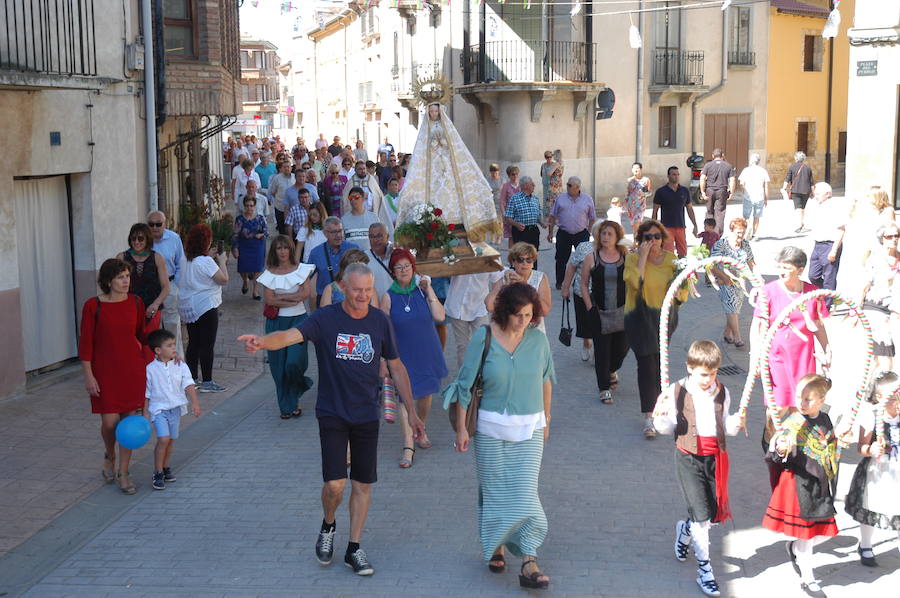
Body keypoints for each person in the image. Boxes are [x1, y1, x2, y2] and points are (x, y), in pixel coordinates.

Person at [238, 263, 425, 577]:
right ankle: (328, 524)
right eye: (357, 290)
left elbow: (397, 366)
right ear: (342, 288)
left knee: (363, 484)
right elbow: (288, 336)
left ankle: (354, 547)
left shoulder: (380, 321)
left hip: (366, 413)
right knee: (335, 484)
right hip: (333, 411)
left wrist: (413, 412)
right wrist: (262, 342)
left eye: (368, 290)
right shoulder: (326, 319)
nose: (363, 296)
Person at [443, 283, 555, 589]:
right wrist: (463, 428)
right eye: (517, 315)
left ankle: (529, 560)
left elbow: (547, 380)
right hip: (490, 430)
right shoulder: (485, 336)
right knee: (493, 492)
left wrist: (546, 420)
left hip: (530, 428)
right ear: (505, 312)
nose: (522, 322)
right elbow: (465, 384)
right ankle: (496, 545)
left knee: (525, 496)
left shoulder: (538, 341)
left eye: (528, 316)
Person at [653, 340, 744, 598]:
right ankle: (705, 569)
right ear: (690, 368)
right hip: (688, 457)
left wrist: (736, 423)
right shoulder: (677, 391)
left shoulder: (723, 392)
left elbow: (725, 427)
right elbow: (668, 427)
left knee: (710, 514)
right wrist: (660, 418)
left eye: (713, 373)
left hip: (715, 458)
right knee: (702, 517)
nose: (709, 379)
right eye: (704, 374)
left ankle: (684, 530)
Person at [763, 374, 838, 598]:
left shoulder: (825, 419)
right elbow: (776, 452)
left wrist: (837, 442)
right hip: (797, 485)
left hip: (818, 486)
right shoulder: (792, 422)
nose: (802, 403)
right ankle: (808, 580)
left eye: (808, 399)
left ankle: (794, 547)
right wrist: (781, 448)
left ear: (821, 400)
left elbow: (830, 448)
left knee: (824, 533)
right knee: (807, 536)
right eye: (799, 398)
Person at [80, 258, 149, 494]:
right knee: (110, 423)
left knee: (129, 423)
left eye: (127, 276)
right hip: (105, 373)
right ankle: (109, 454)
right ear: (109, 281)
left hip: (132, 371)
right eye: (121, 277)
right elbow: (86, 345)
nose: (126, 281)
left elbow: (142, 336)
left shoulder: (137, 302)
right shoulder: (93, 306)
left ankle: (124, 472)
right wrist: (89, 376)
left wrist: (159, 361)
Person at [380, 248, 448, 467]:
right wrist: (384, 360)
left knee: (426, 394)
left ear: (413, 268)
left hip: (427, 351)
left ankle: (421, 427)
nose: (403, 270)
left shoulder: (422, 291)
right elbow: (382, 331)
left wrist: (429, 291)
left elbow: (440, 316)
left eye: (407, 266)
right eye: (398, 267)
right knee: (404, 398)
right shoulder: (387, 297)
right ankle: (408, 445)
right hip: (402, 355)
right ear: (392, 271)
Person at [625, 219, 688, 439]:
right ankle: (648, 417)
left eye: (657, 236)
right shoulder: (632, 259)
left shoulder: (672, 260)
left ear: (663, 238)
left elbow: (682, 292)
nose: (653, 241)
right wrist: (642, 257)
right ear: (641, 240)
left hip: (663, 320)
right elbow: (635, 283)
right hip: (639, 319)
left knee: (660, 365)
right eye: (648, 237)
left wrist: (684, 286)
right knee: (646, 366)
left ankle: (661, 411)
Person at [844, 371, 900, 568]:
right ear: (878, 397)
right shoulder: (872, 416)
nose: (896, 400)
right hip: (877, 471)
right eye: (892, 397)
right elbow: (861, 447)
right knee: (871, 507)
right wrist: (871, 449)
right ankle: (865, 544)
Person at [257, 236, 315, 419]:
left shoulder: (301, 270)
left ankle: (298, 388)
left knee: (294, 362)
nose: (282, 251)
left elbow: (305, 294)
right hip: (276, 324)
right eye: (278, 248)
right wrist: (293, 297)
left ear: (290, 249)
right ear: (274, 251)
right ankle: (287, 406)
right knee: (278, 367)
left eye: (285, 248)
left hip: (298, 322)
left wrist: (283, 299)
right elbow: (270, 299)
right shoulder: (269, 273)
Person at [144, 329, 201, 491]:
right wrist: (145, 411)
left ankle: (165, 467)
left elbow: (188, 384)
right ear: (158, 350)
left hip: (175, 409)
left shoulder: (180, 365)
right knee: (163, 439)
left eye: (174, 344)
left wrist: (195, 403)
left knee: (170, 440)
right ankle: (157, 472)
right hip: (158, 409)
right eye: (169, 345)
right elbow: (147, 392)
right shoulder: (150, 369)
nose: (174, 348)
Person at [580, 221, 629, 404]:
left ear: (617, 237)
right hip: (599, 311)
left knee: (622, 349)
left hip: (623, 311)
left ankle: (612, 370)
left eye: (610, 234)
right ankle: (604, 388)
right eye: (603, 233)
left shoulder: (625, 255)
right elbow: (584, 284)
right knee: (602, 352)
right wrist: (589, 307)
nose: (606, 237)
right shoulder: (591, 257)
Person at [177, 224, 229, 393]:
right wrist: (222, 261)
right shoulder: (206, 262)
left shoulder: (185, 259)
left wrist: (209, 256)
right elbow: (223, 279)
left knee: (193, 342)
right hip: (206, 306)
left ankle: (192, 378)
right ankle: (207, 381)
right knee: (207, 344)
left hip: (189, 306)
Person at [857, 222, 900, 370]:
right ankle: (888, 387)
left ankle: (872, 387)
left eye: (896, 235)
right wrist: (856, 310)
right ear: (882, 238)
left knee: (874, 355)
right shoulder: (875, 259)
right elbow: (864, 285)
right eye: (889, 236)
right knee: (885, 347)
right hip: (874, 307)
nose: (893, 239)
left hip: (893, 308)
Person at [486, 242, 552, 334]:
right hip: (510, 332)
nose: (525, 263)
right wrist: (503, 286)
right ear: (513, 262)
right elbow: (489, 306)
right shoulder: (507, 277)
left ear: (533, 262)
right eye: (520, 260)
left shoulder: (540, 277)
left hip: (533, 332)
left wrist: (524, 284)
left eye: (529, 260)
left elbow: (544, 311)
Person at [709, 218, 755, 348]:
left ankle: (727, 333)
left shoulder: (745, 244)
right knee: (731, 306)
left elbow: (751, 262)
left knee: (735, 309)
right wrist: (724, 277)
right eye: (738, 232)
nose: (741, 235)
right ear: (732, 231)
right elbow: (711, 265)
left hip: (740, 280)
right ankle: (737, 338)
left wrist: (756, 278)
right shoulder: (721, 244)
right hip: (725, 280)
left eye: (743, 232)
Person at [445, 270, 505, 369]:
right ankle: (464, 379)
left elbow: (498, 279)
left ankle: (481, 377)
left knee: (483, 343)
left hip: (480, 306)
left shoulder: (490, 255)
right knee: (462, 346)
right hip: (457, 305)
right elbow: (445, 271)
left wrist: (494, 299)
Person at [116, 223, 169, 330]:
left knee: (151, 344)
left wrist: (155, 304)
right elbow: (115, 284)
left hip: (152, 311)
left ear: (147, 240)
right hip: (128, 310)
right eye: (133, 238)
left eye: (140, 239)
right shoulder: (122, 257)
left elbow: (166, 287)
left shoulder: (157, 258)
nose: (136, 242)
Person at [547, 176, 597, 290]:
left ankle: (581, 282)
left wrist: (588, 232)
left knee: (583, 259)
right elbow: (553, 216)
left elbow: (592, 217)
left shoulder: (587, 199)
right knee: (561, 260)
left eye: (570, 185)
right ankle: (560, 282)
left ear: (577, 187)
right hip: (564, 233)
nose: (567, 187)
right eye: (567, 184)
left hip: (581, 233)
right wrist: (550, 233)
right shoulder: (560, 198)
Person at [147, 210, 185, 355]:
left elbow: (180, 263)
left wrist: (175, 286)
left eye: (158, 224)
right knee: (153, 328)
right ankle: (155, 365)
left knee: (172, 328)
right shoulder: (144, 240)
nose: (155, 227)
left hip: (169, 287)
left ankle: (177, 364)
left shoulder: (174, 238)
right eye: (151, 224)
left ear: (165, 224)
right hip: (150, 289)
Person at [560, 228, 598, 362]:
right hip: (581, 291)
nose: (604, 237)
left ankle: (597, 350)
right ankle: (587, 342)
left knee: (599, 322)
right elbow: (571, 267)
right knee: (584, 321)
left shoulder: (613, 250)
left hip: (602, 293)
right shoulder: (584, 247)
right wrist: (565, 288)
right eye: (601, 233)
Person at [307, 217, 360, 306]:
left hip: (350, 299)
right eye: (334, 232)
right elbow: (308, 278)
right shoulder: (316, 253)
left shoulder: (354, 249)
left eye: (340, 231)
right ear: (325, 233)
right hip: (325, 301)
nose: (338, 235)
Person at [806, 182, 845, 291]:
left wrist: (833, 250)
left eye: (818, 194)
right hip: (818, 245)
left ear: (827, 194)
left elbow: (841, 230)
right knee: (813, 275)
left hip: (830, 244)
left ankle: (827, 304)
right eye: (815, 194)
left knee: (829, 277)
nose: (815, 196)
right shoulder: (817, 206)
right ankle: (830, 293)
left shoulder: (835, 207)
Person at [652, 166, 698, 258]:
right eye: (673, 174)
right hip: (666, 227)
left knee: (683, 253)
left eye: (678, 174)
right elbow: (655, 211)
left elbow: (689, 209)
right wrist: (653, 227)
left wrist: (695, 225)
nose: (676, 177)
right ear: (668, 176)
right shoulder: (661, 192)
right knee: (668, 254)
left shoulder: (684, 191)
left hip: (680, 226)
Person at [341, 161, 394, 236]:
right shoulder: (351, 182)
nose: (362, 171)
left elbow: (378, 196)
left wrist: (369, 196)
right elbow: (345, 198)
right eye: (360, 169)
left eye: (364, 169)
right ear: (355, 170)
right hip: (355, 215)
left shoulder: (371, 180)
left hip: (370, 214)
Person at [232, 195, 268, 300]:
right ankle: (245, 281)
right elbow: (235, 235)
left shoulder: (260, 218)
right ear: (244, 206)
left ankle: (255, 291)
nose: (249, 208)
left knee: (257, 268)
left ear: (255, 206)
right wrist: (235, 248)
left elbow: (266, 231)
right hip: (244, 246)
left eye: (251, 205)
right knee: (243, 268)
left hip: (257, 246)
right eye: (247, 205)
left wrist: (261, 235)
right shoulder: (239, 219)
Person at [699, 148, 735, 235]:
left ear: (712, 156)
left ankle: (708, 230)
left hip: (710, 190)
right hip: (722, 190)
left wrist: (702, 192)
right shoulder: (728, 166)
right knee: (720, 212)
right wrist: (731, 192)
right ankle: (717, 234)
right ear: (722, 156)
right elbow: (732, 180)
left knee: (709, 211)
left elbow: (702, 178)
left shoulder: (707, 165)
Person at [504, 176, 542, 255]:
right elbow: (507, 217)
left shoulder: (535, 199)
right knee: (520, 255)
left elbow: (538, 215)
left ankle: (533, 268)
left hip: (533, 231)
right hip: (520, 232)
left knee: (533, 256)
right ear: (525, 185)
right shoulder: (514, 198)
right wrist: (516, 224)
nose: (534, 185)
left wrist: (543, 223)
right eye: (532, 183)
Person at [737, 153, 770, 240]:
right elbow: (766, 186)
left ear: (751, 161)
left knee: (746, 216)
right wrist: (766, 199)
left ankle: (747, 229)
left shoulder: (746, 170)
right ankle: (754, 234)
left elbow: (741, 183)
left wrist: (744, 191)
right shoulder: (763, 171)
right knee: (757, 216)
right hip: (760, 196)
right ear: (758, 161)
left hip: (748, 196)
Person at [783, 151, 815, 233]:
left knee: (798, 208)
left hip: (795, 191)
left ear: (796, 158)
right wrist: (813, 192)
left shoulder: (792, 167)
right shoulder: (808, 168)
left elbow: (787, 178)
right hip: (805, 191)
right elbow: (811, 182)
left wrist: (784, 187)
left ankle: (799, 225)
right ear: (804, 158)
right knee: (802, 208)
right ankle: (801, 224)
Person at [341, 187, 381, 251]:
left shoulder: (374, 218)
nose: (353, 200)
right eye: (351, 198)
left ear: (363, 199)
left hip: (371, 257)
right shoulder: (343, 220)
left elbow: (379, 239)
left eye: (356, 197)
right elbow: (342, 242)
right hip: (352, 258)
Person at [366, 223, 393, 298]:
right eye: (372, 237)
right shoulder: (364, 258)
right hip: (376, 306)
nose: (375, 240)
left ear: (387, 237)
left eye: (379, 236)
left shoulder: (397, 253)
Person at [626, 162, 653, 234]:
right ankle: (636, 241)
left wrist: (644, 194)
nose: (636, 170)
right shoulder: (629, 180)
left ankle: (636, 242)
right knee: (634, 225)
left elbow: (650, 192)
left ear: (641, 169)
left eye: (637, 168)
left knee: (637, 222)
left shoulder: (646, 180)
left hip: (640, 205)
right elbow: (628, 193)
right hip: (631, 206)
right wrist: (625, 203)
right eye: (634, 168)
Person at [269, 160, 296, 233]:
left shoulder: (295, 177)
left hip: (292, 208)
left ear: (291, 168)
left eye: (288, 167)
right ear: (281, 168)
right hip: (280, 207)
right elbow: (273, 192)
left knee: (292, 229)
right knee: (282, 229)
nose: (286, 169)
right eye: (284, 167)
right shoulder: (276, 178)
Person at [498, 166, 521, 248]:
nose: (515, 176)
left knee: (521, 236)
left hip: (520, 215)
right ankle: (512, 257)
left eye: (516, 174)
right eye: (513, 174)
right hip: (510, 215)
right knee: (511, 237)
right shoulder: (506, 186)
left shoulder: (521, 185)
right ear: (509, 175)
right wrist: (504, 214)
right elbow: (502, 201)